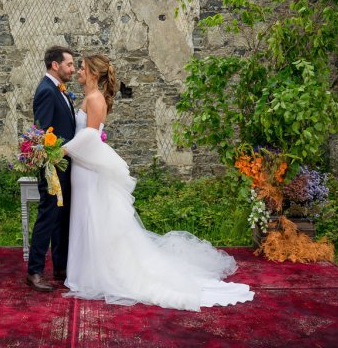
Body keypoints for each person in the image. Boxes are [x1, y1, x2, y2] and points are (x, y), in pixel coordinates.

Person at [62, 54, 254, 311]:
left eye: (82, 68)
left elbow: (89, 138)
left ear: (94, 74)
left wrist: (60, 151)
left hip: (88, 168)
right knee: (85, 217)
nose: (78, 72)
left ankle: (94, 274)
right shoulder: (89, 98)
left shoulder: (95, 99)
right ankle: (84, 271)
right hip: (82, 167)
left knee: (91, 216)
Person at [26, 46, 76, 292]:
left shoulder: (61, 91)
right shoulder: (46, 91)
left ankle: (60, 266)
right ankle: (34, 271)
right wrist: (50, 164)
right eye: (69, 64)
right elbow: (43, 132)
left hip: (64, 166)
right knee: (47, 217)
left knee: (61, 218)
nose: (73, 69)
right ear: (55, 65)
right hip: (52, 167)